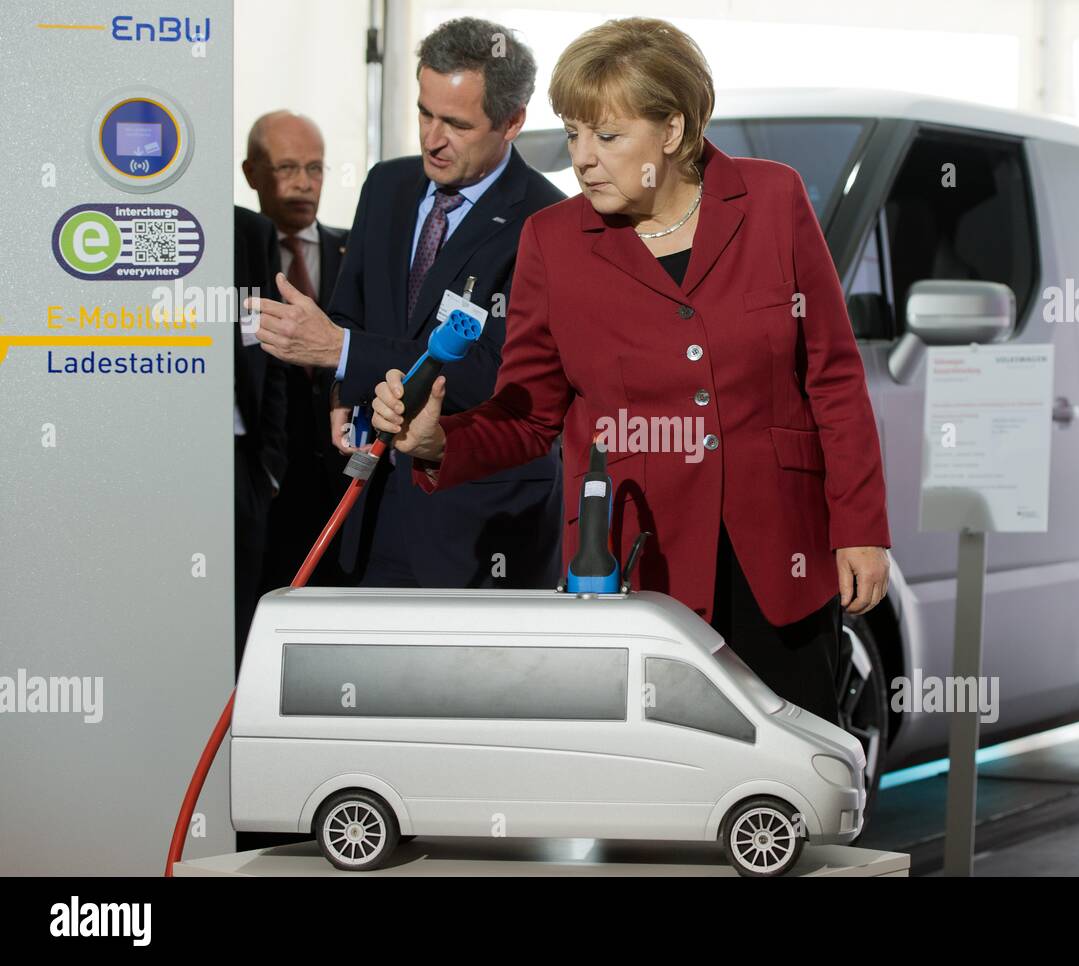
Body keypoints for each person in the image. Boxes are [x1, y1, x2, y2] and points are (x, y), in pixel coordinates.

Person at [372, 17, 891, 724]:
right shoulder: (552, 242)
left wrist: (859, 527)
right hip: (637, 566)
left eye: (607, 137)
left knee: (789, 785)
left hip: (780, 562)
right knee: (657, 795)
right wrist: (438, 443)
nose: (583, 159)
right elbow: (529, 417)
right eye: (574, 132)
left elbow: (832, 375)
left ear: (673, 132)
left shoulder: (774, 201)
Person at [249, 17, 565, 590]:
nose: (431, 138)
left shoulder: (547, 222)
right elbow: (353, 310)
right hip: (372, 508)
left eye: (456, 123)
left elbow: (500, 376)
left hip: (479, 529)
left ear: (513, 122)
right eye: (424, 112)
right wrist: (345, 386)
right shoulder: (387, 185)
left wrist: (342, 351)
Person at [242, 110, 352, 589]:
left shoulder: (354, 253)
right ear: (252, 174)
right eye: (287, 169)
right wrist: (265, 472)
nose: (304, 183)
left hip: (347, 484)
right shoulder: (235, 255)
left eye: (315, 168)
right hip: (267, 491)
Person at [232, 206, 288, 666]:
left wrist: (268, 466)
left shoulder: (249, 232)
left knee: (237, 627)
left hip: (240, 462)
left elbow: (267, 352)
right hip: (151, 462)